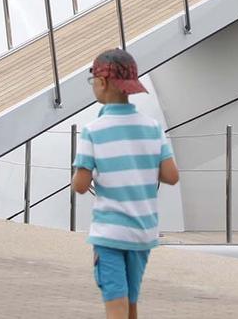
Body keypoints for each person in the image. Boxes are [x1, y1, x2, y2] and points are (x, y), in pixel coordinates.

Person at [71, 49, 179, 319]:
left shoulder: (93, 131)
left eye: (93, 80)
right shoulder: (152, 127)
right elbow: (171, 175)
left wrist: (91, 172)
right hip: (143, 233)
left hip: (110, 232)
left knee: (115, 305)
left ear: (103, 82)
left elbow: (80, 185)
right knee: (131, 304)